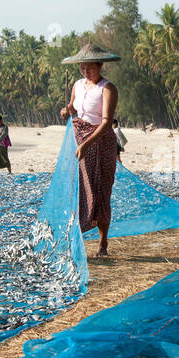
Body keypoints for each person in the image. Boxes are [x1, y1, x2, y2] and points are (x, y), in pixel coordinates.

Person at [60, 41, 120, 256]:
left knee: (100, 192)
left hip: (100, 143)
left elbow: (106, 122)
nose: (86, 71)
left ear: (100, 66)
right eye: (82, 67)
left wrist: (87, 143)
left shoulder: (108, 88)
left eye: (90, 67)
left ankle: (103, 244)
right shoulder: (77, 85)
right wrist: (66, 110)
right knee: (81, 191)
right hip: (80, 142)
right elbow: (73, 107)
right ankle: (78, 235)